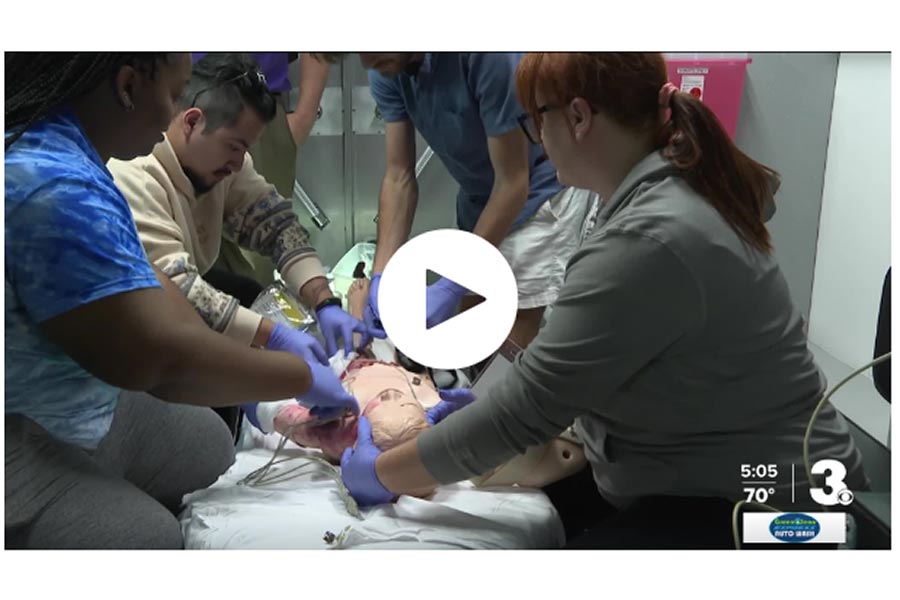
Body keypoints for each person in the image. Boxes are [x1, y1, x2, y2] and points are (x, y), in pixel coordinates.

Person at [338, 52, 868, 549]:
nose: (536, 137)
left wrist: (380, 474)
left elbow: (523, 413)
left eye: (534, 121)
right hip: (708, 476)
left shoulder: (650, 237)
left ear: (578, 117)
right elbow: (570, 379)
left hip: (778, 509)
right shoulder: (645, 202)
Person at [4, 53, 358, 549]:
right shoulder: (58, 185)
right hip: (19, 432)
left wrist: (322, 301)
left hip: (83, 398)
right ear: (128, 85)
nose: (173, 109)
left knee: (209, 446)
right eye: (173, 94)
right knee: (147, 536)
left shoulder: (77, 156)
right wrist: (294, 373)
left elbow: (163, 281)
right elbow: (160, 361)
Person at [109, 53, 378, 366]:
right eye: (234, 147)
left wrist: (325, 301)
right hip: (130, 336)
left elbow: (277, 226)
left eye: (245, 150)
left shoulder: (224, 166)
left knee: (248, 292)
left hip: (175, 302)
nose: (238, 163)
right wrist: (274, 337)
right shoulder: (133, 175)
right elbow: (177, 291)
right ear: (192, 122)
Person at [349, 52, 597, 349]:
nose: (365, 62)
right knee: (468, 341)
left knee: (504, 349)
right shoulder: (386, 66)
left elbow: (513, 183)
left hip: (539, 193)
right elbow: (398, 177)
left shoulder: (488, 55)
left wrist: (454, 284)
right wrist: (381, 276)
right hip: (479, 197)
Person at [192, 52, 331, 288]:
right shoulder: (142, 175)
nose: (236, 163)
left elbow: (276, 227)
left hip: (256, 98)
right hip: (182, 91)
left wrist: (320, 294)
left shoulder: (242, 161)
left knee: (254, 269)